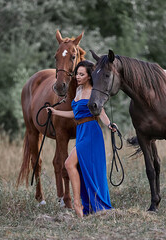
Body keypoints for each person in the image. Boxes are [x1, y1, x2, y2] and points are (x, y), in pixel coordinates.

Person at [47, 60, 117, 218]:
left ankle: (78, 204)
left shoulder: (94, 91)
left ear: (89, 76)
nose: (77, 77)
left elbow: (101, 112)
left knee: (69, 163)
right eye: (77, 74)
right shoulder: (78, 91)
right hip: (81, 131)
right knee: (81, 168)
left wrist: (109, 125)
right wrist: (55, 112)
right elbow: (75, 114)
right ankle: (86, 205)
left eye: (81, 74)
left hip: (91, 132)